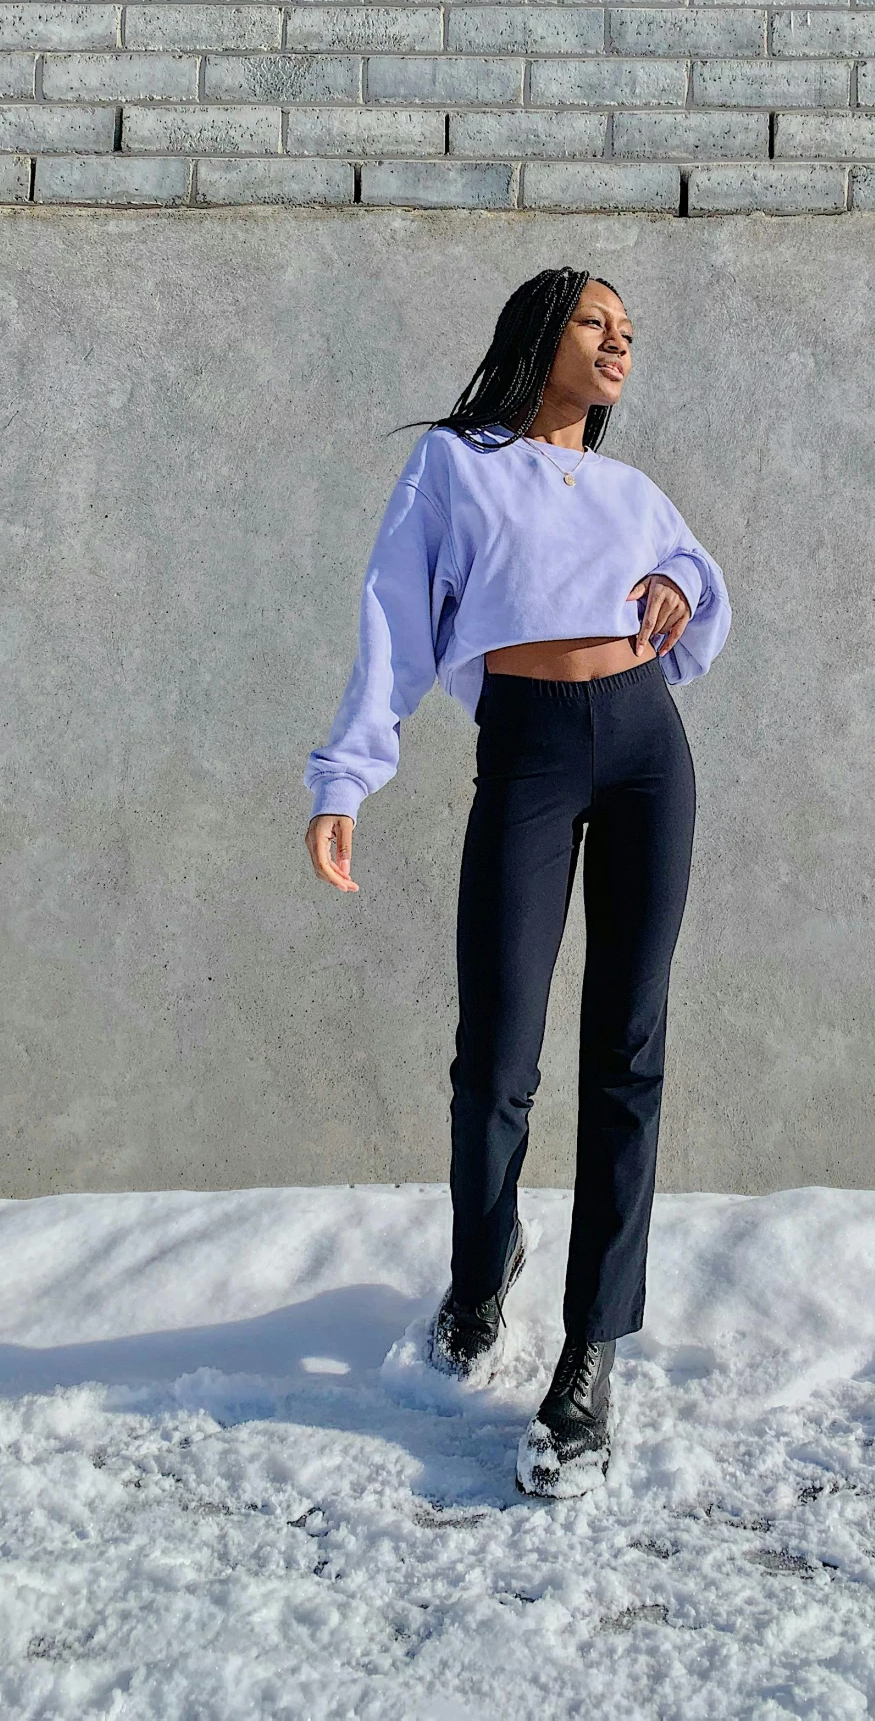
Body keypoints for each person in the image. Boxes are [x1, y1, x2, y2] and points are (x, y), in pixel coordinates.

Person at [304, 267, 731, 1498]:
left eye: (631, 332)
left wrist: (677, 588)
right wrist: (345, 776)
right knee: (497, 1048)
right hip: (531, 750)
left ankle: (591, 1350)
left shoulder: (634, 490)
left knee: (627, 1048)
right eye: (598, 322)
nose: (619, 343)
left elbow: (702, 591)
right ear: (540, 332)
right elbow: (394, 612)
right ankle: (481, 1269)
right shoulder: (455, 464)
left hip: (649, 746)